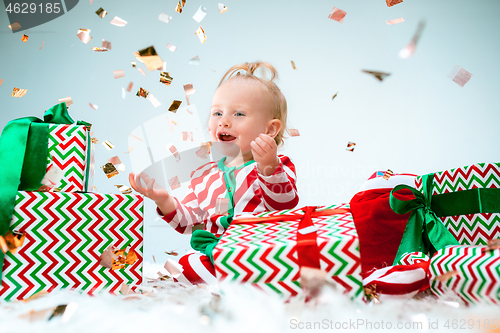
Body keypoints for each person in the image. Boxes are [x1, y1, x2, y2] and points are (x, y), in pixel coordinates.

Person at [129, 61, 299, 285]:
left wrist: (268, 165)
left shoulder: (276, 165)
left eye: (239, 114)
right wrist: (164, 199)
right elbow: (189, 222)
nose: (224, 121)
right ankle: (222, 287)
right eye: (217, 113)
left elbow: (284, 202)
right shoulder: (203, 176)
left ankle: (257, 282)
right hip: (218, 254)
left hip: (261, 252)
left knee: (295, 263)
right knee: (183, 267)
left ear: (269, 129)